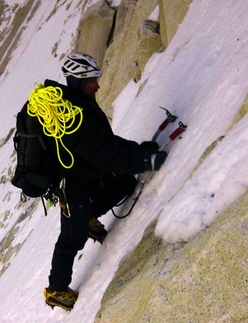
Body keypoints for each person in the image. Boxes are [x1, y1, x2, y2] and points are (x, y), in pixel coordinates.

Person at [41, 52, 167, 311]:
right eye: (92, 80)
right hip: (72, 192)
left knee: (125, 183)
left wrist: (138, 151)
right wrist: (145, 162)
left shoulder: (81, 104)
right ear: (77, 81)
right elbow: (106, 157)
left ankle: (88, 218)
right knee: (70, 241)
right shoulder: (74, 118)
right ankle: (56, 290)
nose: (98, 85)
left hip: (85, 179)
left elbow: (107, 145)